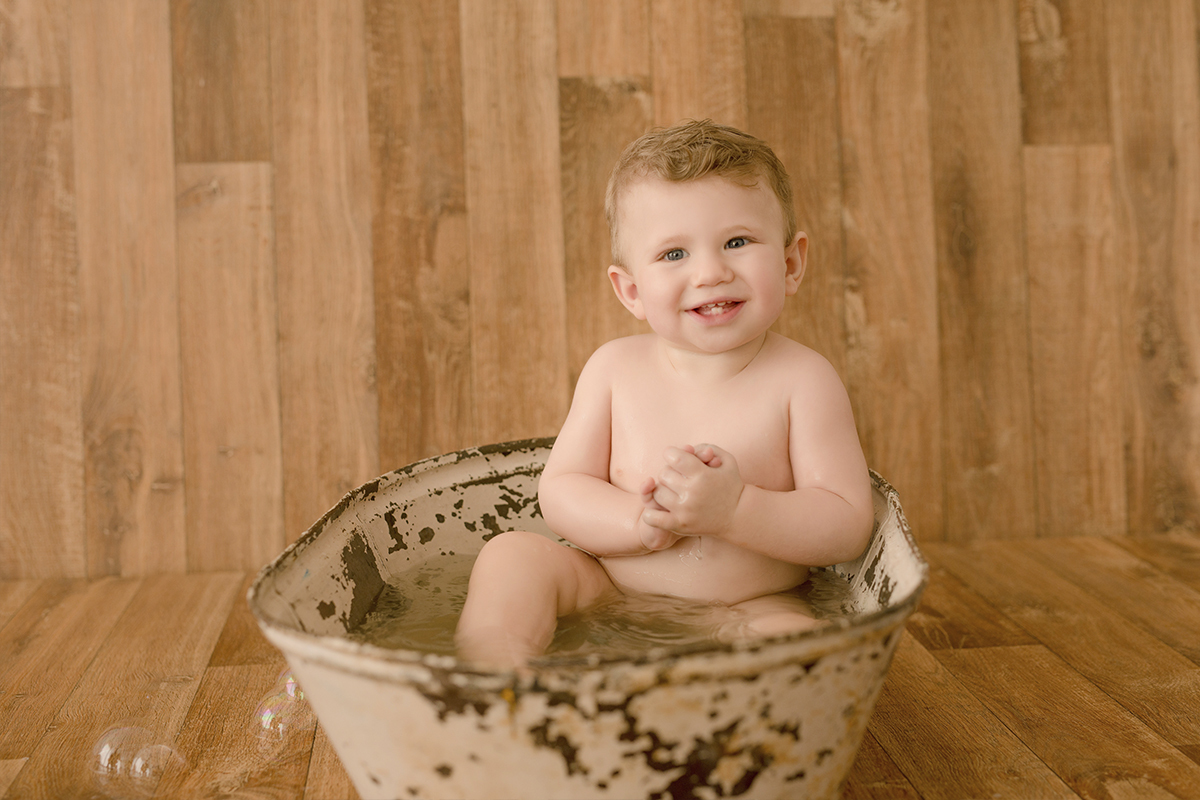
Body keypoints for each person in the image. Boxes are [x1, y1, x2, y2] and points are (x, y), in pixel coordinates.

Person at [455, 119, 874, 667]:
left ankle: (751, 702)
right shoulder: (612, 370)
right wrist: (637, 523)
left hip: (749, 606)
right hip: (607, 589)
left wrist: (736, 511)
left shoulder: (805, 380)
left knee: (794, 642)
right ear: (631, 290)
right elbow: (561, 488)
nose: (711, 273)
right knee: (511, 555)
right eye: (674, 254)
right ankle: (495, 672)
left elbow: (846, 524)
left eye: (737, 242)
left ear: (791, 264)